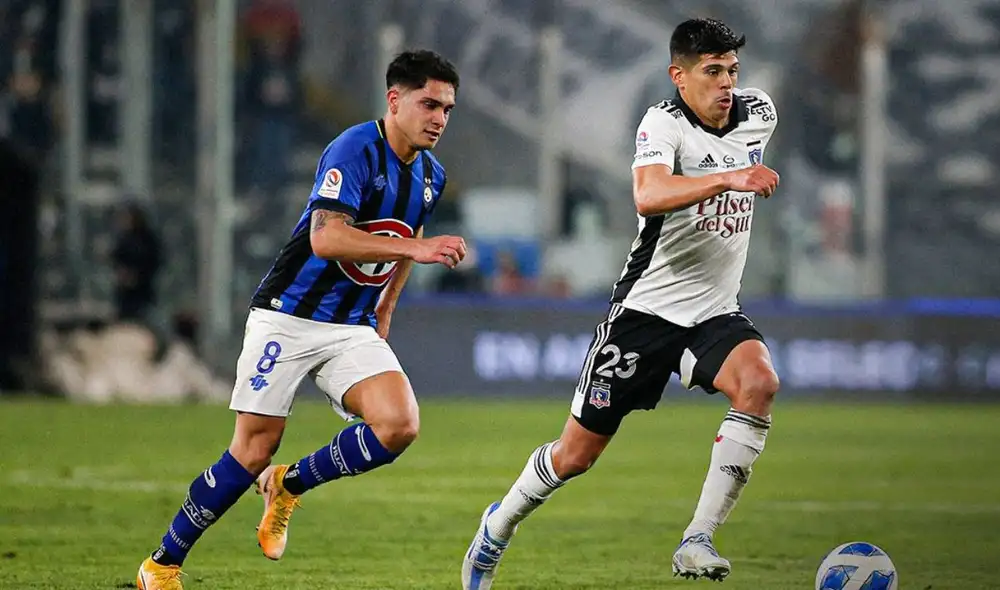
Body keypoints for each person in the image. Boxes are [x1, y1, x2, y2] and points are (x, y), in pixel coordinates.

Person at [462, 18, 781, 588]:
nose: (726, 83)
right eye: (712, 72)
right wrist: (728, 179)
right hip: (645, 314)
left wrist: (734, 173)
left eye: (731, 70)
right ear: (678, 77)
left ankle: (696, 539)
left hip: (712, 311)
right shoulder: (663, 123)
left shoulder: (759, 112)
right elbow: (649, 193)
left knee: (759, 383)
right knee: (575, 456)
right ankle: (497, 527)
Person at [137, 49, 466, 590]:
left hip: (350, 325)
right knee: (251, 449)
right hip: (287, 317)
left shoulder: (431, 175)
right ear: (395, 99)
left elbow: (404, 242)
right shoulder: (354, 148)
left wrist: (385, 307)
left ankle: (289, 484)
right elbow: (326, 237)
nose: (439, 119)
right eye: (430, 104)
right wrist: (419, 251)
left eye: (448, 109)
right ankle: (162, 564)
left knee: (399, 424)